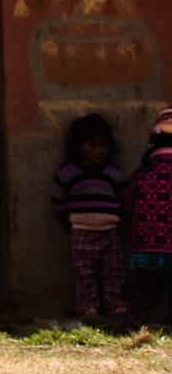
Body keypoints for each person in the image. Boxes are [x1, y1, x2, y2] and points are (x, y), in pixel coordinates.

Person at [51, 113, 129, 328]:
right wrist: (68, 222)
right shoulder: (68, 173)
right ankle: (88, 308)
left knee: (113, 271)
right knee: (85, 272)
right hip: (81, 231)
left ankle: (114, 305)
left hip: (110, 231)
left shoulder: (114, 174)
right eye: (92, 145)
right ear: (78, 146)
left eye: (103, 146)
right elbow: (58, 199)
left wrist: (119, 219)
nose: (98, 151)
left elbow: (124, 198)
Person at [125, 106, 172, 329]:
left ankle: (138, 322)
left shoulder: (145, 169)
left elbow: (128, 200)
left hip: (144, 247)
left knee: (146, 293)